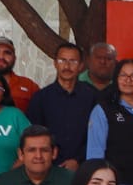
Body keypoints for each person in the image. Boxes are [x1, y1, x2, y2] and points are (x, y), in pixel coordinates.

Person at [25, 42, 99, 170]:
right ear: (55, 63)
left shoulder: (92, 96)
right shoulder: (41, 98)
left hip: (84, 166)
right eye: (62, 60)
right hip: (49, 167)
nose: (67, 66)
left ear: (81, 66)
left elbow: (97, 133)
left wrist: (78, 159)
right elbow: (33, 134)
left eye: (73, 61)